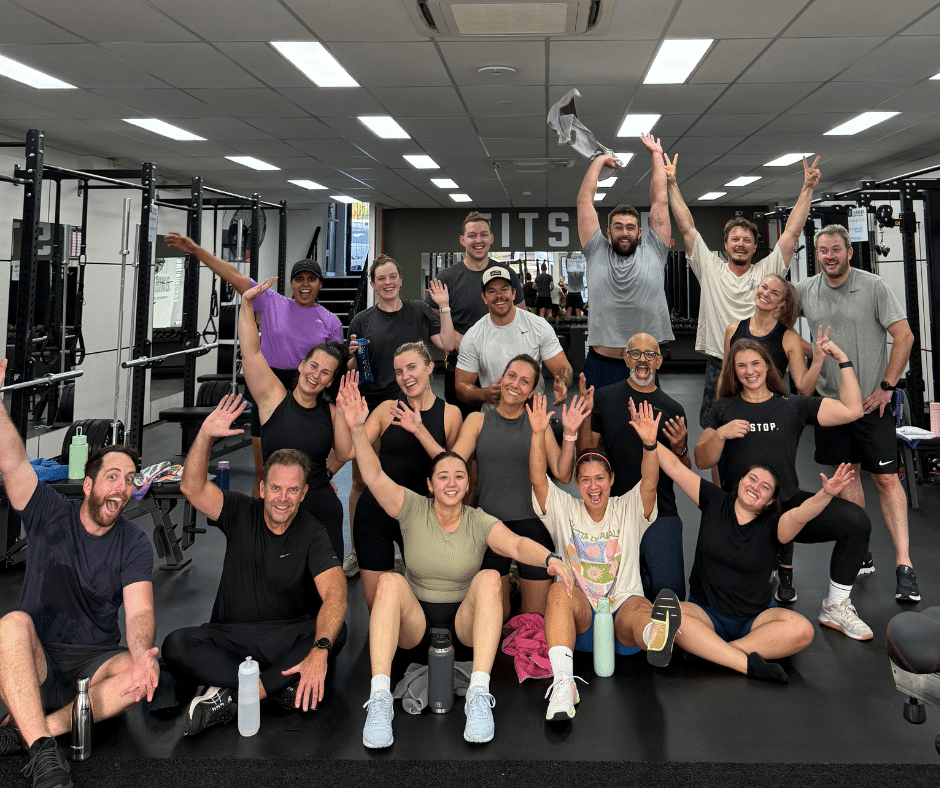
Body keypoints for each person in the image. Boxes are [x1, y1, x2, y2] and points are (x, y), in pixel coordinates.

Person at [336, 376, 575, 749]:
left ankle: (479, 695)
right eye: (443, 476)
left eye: (459, 476)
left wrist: (550, 558)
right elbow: (373, 475)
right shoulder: (410, 507)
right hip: (415, 629)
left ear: (467, 485)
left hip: (465, 630)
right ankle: (379, 700)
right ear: (430, 484)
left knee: (490, 579)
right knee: (389, 582)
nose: (451, 482)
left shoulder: (478, 520)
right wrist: (355, 427)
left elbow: (516, 544)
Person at [0, 357, 157, 788]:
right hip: (40, 659)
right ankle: (44, 755)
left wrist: (142, 654)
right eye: (113, 476)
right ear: (88, 485)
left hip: (95, 665)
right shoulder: (49, 511)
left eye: (129, 479)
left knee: (137, 673)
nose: (122, 487)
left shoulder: (133, 542)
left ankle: (34, 733)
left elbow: (140, 612)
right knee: (11, 625)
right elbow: (13, 463)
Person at [164, 396, 347, 735]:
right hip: (230, 636)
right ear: (262, 488)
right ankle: (275, 688)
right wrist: (205, 434)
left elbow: (335, 593)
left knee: (334, 634)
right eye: (276, 488)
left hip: (283, 637)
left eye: (292, 490)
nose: (283, 498)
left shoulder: (312, 531)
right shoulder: (238, 510)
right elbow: (191, 487)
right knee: (175, 645)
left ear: (304, 493)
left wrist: (320, 649)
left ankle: (234, 695)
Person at [694, 339, 874, 640]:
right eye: (741, 365)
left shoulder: (791, 405)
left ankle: (835, 606)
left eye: (755, 363)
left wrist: (843, 359)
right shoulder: (724, 407)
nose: (749, 371)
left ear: (768, 366)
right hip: (743, 516)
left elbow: (852, 410)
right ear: (734, 371)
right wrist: (722, 434)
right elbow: (702, 459)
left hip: (787, 507)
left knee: (856, 521)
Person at [530, 396, 682, 722]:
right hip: (581, 624)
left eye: (600, 478)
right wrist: (538, 434)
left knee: (641, 608)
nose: (593, 486)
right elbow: (539, 480)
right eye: (585, 480)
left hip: (623, 619)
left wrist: (650, 444)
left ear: (612, 480)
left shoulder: (628, 507)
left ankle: (654, 637)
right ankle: (563, 684)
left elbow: (650, 483)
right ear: (577, 484)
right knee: (559, 590)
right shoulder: (564, 509)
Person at [658, 444, 856, 683]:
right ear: (740, 481)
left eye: (765, 487)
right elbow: (674, 467)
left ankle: (711, 651)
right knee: (669, 613)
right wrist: (649, 439)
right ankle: (744, 663)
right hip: (705, 613)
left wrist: (825, 494)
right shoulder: (714, 500)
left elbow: (801, 514)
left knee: (803, 630)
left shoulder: (775, 525)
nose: (755, 487)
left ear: (770, 501)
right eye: (752, 479)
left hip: (754, 621)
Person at [164, 232, 343, 497]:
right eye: (299, 279)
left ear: (319, 284)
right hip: (267, 387)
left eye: (311, 279)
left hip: (308, 392)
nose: (305, 285)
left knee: (305, 471)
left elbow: (334, 366)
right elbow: (234, 276)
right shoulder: (271, 302)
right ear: (291, 284)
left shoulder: (330, 321)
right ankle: (259, 520)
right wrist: (195, 250)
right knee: (264, 471)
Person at [796, 224, 919, 602]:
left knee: (886, 480)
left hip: (870, 404)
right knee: (847, 477)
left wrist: (887, 387)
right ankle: (862, 549)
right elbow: (775, 323)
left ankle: (904, 564)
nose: (829, 256)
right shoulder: (806, 290)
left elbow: (904, 336)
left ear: (849, 252)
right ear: (816, 254)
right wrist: (810, 354)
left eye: (836, 249)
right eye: (823, 250)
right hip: (832, 406)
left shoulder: (873, 287)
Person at [664, 154, 820, 430]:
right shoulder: (710, 268)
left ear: (754, 247)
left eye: (747, 240)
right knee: (715, 430)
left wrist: (807, 188)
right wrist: (672, 184)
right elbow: (687, 227)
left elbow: (792, 233)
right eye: (735, 239)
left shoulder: (766, 272)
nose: (740, 244)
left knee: (764, 429)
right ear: (725, 244)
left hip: (761, 364)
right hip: (720, 363)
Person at [342, 254, 456, 576]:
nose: (388, 283)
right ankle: (358, 550)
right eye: (381, 278)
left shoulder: (419, 311)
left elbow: (447, 343)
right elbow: (353, 367)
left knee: (412, 478)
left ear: (400, 279)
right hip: (375, 408)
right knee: (364, 480)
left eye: (392, 276)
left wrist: (444, 307)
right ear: (373, 284)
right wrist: (352, 357)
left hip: (414, 407)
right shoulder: (362, 320)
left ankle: (411, 549)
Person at [719, 274, 827, 602]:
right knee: (735, 491)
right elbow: (725, 376)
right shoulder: (733, 330)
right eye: (763, 287)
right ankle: (744, 562)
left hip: (773, 421)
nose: (765, 293)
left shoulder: (788, 338)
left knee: (777, 494)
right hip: (738, 417)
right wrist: (717, 419)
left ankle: (785, 568)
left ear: (782, 303)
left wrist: (819, 359)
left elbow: (804, 387)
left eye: (774, 292)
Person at [450, 355, 575, 618]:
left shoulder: (538, 424)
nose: (515, 384)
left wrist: (570, 434)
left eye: (525, 381)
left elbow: (563, 474)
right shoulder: (477, 421)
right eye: (511, 376)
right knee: (495, 619)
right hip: (489, 527)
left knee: (533, 622)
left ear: (531, 392)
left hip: (533, 526)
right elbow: (450, 466)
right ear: (501, 378)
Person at [239, 277, 353, 560]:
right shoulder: (273, 399)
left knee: (325, 580)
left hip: (320, 508)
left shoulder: (333, 412)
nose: (316, 375)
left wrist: (325, 475)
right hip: (278, 505)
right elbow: (251, 352)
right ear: (301, 366)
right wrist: (246, 303)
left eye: (325, 373)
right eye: (313, 366)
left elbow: (344, 453)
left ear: (330, 382)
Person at [346, 341, 462, 609]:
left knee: (427, 606)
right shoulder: (387, 410)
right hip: (375, 513)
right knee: (379, 607)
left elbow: (452, 473)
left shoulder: (451, 415)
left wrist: (418, 429)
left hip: (421, 516)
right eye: (399, 371)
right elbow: (349, 451)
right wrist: (349, 420)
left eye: (412, 367)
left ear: (430, 367)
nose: (405, 376)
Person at [576, 333, 690, 601]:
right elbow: (586, 455)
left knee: (669, 595)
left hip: (661, 510)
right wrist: (585, 415)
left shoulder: (673, 409)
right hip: (615, 510)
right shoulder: (604, 398)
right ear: (626, 359)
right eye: (635, 353)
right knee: (616, 596)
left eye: (650, 354)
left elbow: (685, 471)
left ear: (658, 362)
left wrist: (681, 448)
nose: (642, 360)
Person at [576, 134, 673, 390]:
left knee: (646, 419)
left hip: (643, 367)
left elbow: (660, 200)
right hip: (602, 363)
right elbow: (584, 202)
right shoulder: (596, 250)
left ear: (640, 233)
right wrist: (599, 161)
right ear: (608, 232)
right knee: (594, 418)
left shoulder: (655, 250)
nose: (624, 232)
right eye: (618, 227)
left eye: (630, 227)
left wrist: (656, 154)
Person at [424, 212, 525, 417]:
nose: (478, 240)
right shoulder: (446, 278)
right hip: (461, 371)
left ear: (491, 238)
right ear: (463, 240)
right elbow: (430, 320)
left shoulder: (507, 274)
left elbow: (522, 318)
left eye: (483, 235)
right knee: (461, 431)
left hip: (502, 370)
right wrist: (458, 340)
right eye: (472, 236)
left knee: (503, 429)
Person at [456, 266, 572, 410]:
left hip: (533, 415)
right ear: (484, 298)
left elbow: (563, 368)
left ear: (513, 294)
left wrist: (563, 382)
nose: (499, 296)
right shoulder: (473, 336)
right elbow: (461, 386)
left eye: (504, 289)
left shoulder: (538, 326)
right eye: (491, 291)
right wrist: (485, 394)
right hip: (493, 417)